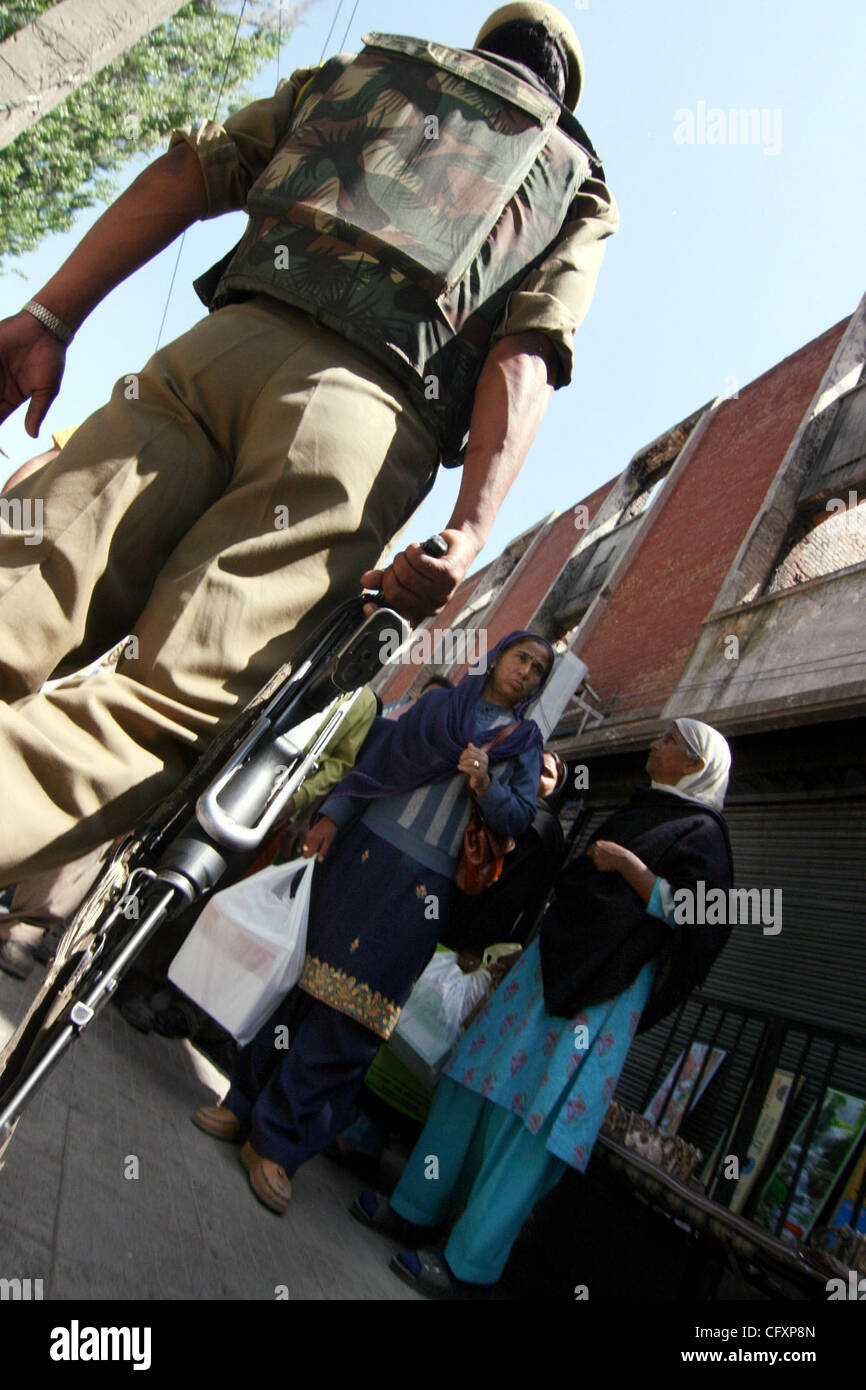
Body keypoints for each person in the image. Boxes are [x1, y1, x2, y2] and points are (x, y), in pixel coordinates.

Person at [0, 4, 617, 884]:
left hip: (213, 356)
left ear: (486, 48)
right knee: (156, 706)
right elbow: (525, 353)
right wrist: (471, 527)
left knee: (25, 578)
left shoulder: (366, 70)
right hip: (361, 430)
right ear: (562, 93)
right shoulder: (577, 178)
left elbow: (194, 168)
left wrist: (48, 315)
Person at [353, 718, 734, 1297]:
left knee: (526, 1129)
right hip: (542, 971)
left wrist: (635, 873)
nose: (653, 743)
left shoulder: (702, 835)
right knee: (469, 1087)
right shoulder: (646, 808)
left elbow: (706, 918)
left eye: (668, 741)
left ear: (696, 765)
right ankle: (412, 1207)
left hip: (597, 998)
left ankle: (465, 1267)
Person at [191, 631, 555, 1214]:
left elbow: (516, 820)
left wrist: (486, 782)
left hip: (423, 893)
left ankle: (278, 1146)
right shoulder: (439, 707)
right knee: (296, 988)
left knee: (355, 1019)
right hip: (362, 855)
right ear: (497, 658)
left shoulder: (525, 742)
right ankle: (241, 1105)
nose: (528, 673)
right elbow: (375, 763)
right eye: (522, 659)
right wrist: (332, 816)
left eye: (539, 670)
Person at [328, 747, 568, 1174]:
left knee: (421, 1032)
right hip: (452, 931)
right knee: (406, 1025)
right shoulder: (514, 810)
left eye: (548, 773)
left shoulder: (539, 825)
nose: (538, 776)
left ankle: (365, 1135)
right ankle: (358, 1126)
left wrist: (474, 946)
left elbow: (512, 895)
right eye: (537, 766)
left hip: (467, 948)